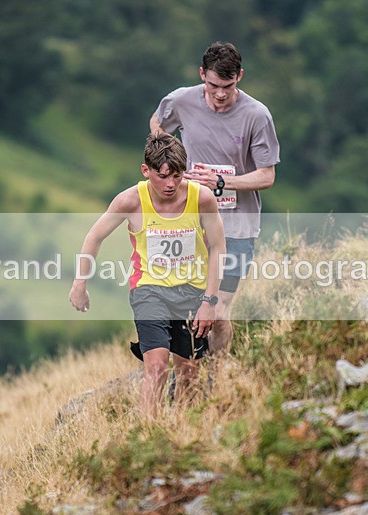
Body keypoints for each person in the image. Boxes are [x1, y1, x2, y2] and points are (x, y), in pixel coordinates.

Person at [69, 132, 225, 418]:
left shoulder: (201, 198)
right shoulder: (130, 201)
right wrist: (80, 283)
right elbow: (94, 237)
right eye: (162, 176)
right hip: (149, 289)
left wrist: (209, 301)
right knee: (155, 367)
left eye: (176, 176)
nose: (170, 184)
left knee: (188, 371)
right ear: (146, 170)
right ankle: (146, 434)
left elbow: (218, 247)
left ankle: (182, 433)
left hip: (193, 289)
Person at [149, 41, 280, 358]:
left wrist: (222, 182)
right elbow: (157, 124)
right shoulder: (182, 100)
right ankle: (187, 374)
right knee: (182, 307)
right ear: (201, 75)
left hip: (236, 228)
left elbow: (267, 176)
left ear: (240, 78)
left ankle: (217, 376)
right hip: (188, 224)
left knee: (217, 310)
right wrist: (173, 158)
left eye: (228, 86)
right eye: (212, 85)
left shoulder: (256, 115)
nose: (220, 94)